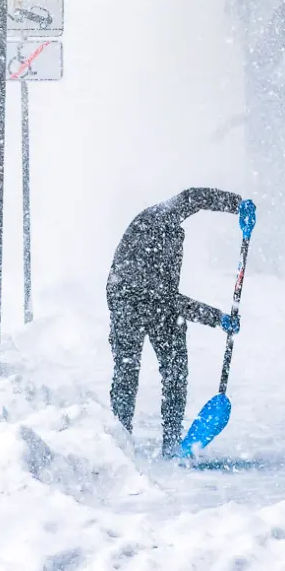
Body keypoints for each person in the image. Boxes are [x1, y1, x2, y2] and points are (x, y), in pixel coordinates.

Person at [106, 187, 251, 457]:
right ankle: (119, 441)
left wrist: (236, 204)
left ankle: (172, 443)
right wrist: (216, 317)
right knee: (127, 369)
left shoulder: (165, 217)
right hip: (128, 299)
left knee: (175, 368)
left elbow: (193, 197)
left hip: (159, 300)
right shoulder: (148, 231)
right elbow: (168, 299)